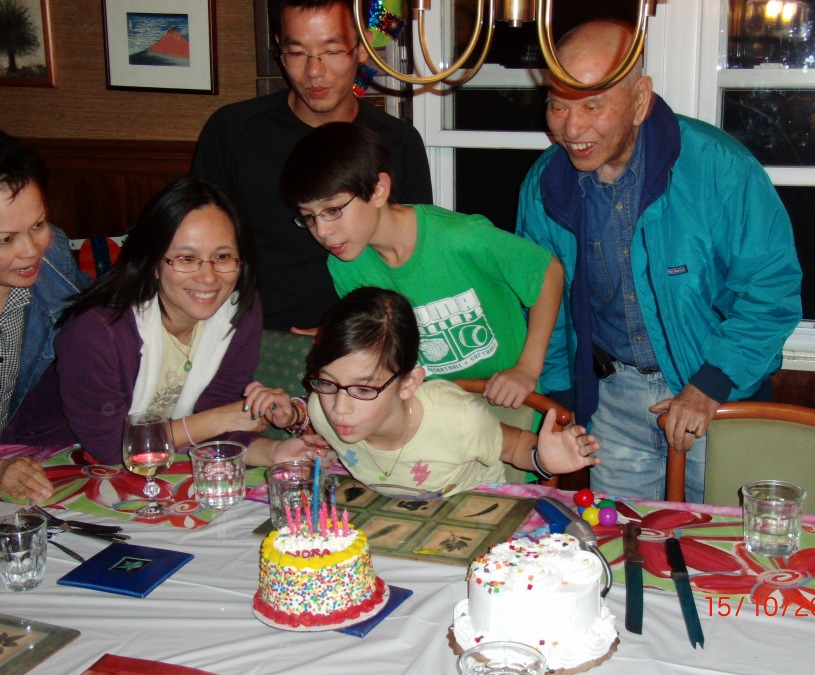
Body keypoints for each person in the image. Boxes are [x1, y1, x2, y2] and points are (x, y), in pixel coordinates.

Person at [516, 21, 802, 502]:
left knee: (720, 540)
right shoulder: (546, 186)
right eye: (558, 105)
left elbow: (771, 291)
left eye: (592, 105)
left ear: (640, 100)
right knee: (624, 534)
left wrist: (709, 385)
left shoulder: (720, 168)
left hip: (715, 396)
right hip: (611, 402)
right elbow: (544, 301)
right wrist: (564, 397)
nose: (571, 128)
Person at [1, 178, 325, 469]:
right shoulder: (96, 330)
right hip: (43, 461)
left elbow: (219, 422)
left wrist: (274, 451)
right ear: (153, 262)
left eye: (223, 257)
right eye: (186, 259)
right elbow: (112, 448)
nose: (208, 277)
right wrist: (218, 419)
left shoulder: (238, 309)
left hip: (153, 463)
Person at [281, 121, 564, 411]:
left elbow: (548, 272)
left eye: (333, 210)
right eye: (309, 217)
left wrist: (526, 369)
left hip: (509, 401)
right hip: (432, 410)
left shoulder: (460, 238)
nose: (322, 231)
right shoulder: (345, 267)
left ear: (378, 190)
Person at [191, 0, 432, 333]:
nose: (314, 72)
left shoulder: (399, 142)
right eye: (297, 53)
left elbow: (415, 258)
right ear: (279, 48)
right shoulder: (233, 131)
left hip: (362, 337)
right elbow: (200, 246)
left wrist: (359, 332)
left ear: (363, 48)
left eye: (331, 51)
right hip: (255, 335)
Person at [244, 287, 600, 498]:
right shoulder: (321, 411)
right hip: (392, 528)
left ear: (409, 383)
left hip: (470, 518)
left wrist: (544, 460)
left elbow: (515, 447)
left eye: (364, 389)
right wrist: (294, 417)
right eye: (326, 383)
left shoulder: (456, 417)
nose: (340, 409)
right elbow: (313, 430)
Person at [0, 131, 89, 501]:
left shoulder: (52, 260)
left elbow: (99, 326)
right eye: (6, 239)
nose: (31, 251)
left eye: (38, 225)